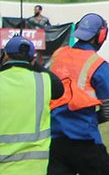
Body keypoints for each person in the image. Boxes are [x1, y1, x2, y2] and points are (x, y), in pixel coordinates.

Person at [48, 13, 109, 175]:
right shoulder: (98, 64)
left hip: (55, 139)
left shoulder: (58, 55)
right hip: (86, 140)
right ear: (101, 36)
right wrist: (91, 120)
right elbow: (108, 113)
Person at [2, 35, 64, 173]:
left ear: (5, 55)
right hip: (35, 168)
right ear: (33, 60)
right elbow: (59, 89)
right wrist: (36, 65)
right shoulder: (44, 81)